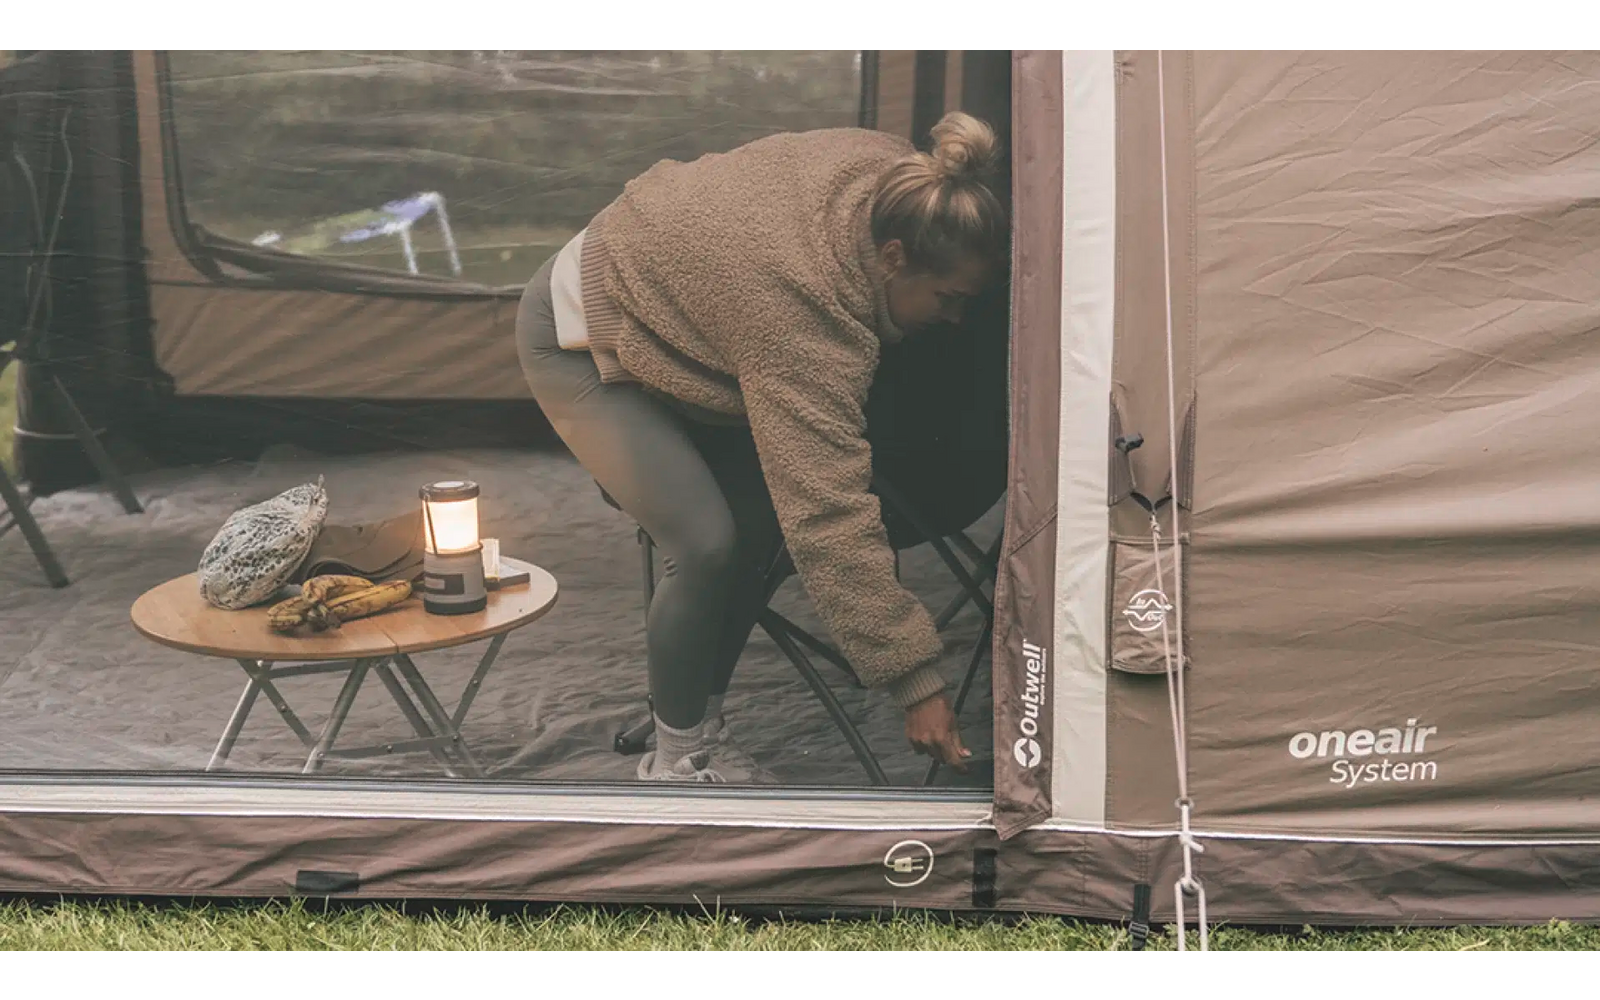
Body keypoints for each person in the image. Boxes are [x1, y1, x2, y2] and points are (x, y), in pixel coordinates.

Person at [515, 112, 1008, 783]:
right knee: (707, 543)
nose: (952, 318)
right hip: (584, 332)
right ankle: (678, 765)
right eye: (946, 299)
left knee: (762, 528)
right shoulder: (800, 318)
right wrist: (916, 683)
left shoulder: (909, 184)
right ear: (893, 258)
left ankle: (688, 719)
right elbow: (827, 512)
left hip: (696, 314)